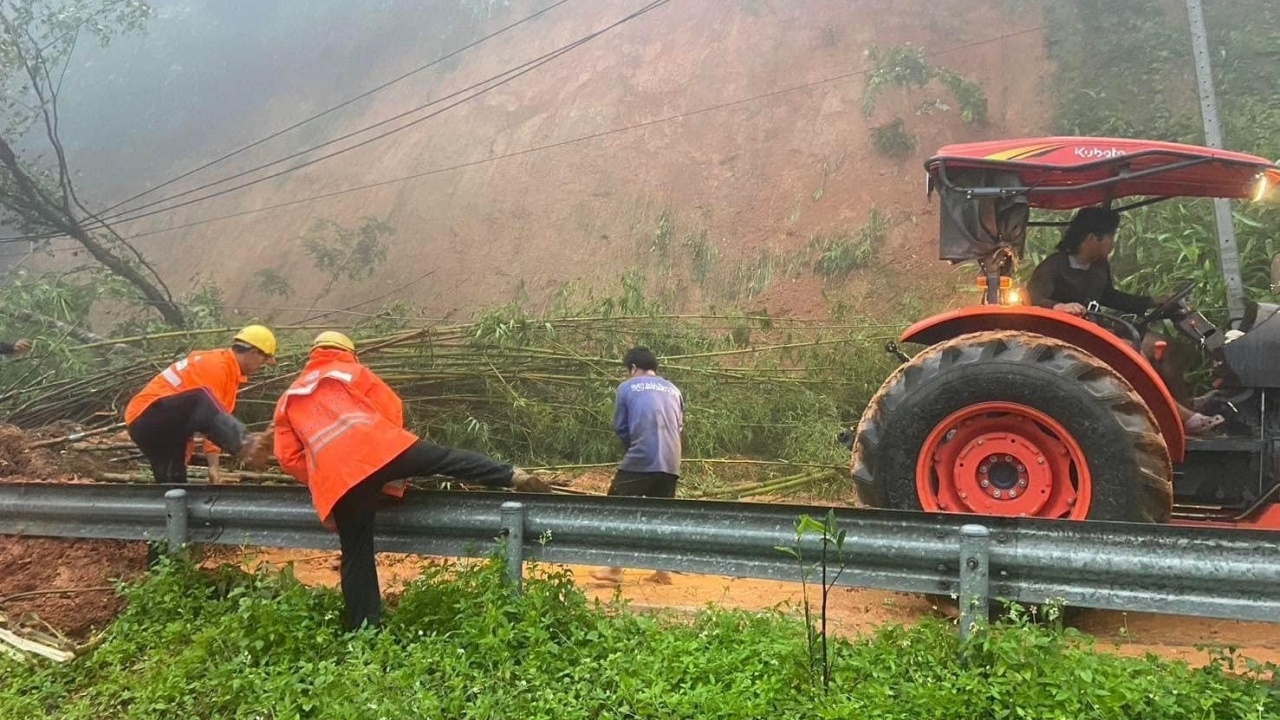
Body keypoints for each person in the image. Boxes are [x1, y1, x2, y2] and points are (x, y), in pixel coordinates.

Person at [273, 331, 550, 631]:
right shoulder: (352, 371)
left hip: (342, 477)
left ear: (312, 354)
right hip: (382, 447)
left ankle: (363, 630)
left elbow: (288, 458)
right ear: (348, 352)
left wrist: (327, 478)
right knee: (446, 460)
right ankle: (510, 475)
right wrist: (392, 469)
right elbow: (391, 408)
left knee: (356, 551)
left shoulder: (289, 397)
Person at [1028, 207, 1222, 434]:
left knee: (1166, 347)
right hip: (1072, 337)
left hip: (1099, 329)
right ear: (1093, 238)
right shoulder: (1055, 265)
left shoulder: (1100, 265)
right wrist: (1058, 307)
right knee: (1133, 352)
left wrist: (1152, 301)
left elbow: (1110, 296)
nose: (1112, 243)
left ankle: (1184, 405)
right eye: (1110, 237)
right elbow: (1033, 299)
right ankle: (1181, 418)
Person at [125, 325, 276, 484]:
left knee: (174, 483)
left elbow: (212, 424)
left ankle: (170, 500)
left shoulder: (230, 376)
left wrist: (213, 468)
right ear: (253, 352)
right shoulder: (216, 366)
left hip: (163, 428)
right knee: (200, 398)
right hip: (146, 414)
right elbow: (202, 408)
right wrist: (245, 445)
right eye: (263, 359)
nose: (261, 366)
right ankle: (246, 444)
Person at [591, 347, 684, 585]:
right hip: (672, 461)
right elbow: (680, 426)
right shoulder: (674, 390)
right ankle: (663, 572)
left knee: (617, 507)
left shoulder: (627, 387)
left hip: (642, 457)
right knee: (660, 515)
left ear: (632, 368)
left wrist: (632, 450)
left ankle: (613, 568)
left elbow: (621, 427)